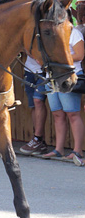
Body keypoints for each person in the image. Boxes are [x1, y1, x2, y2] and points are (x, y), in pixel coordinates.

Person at [42, 24, 84, 161]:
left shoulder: (73, 33)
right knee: (57, 114)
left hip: (69, 75)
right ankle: (58, 149)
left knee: (73, 113)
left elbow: (80, 54)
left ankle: (77, 151)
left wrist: (58, 58)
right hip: (51, 77)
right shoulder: (47, 33)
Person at [19, 55, 48, 155]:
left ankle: (37, 138)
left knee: (38, 101)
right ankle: (40, 143)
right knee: (33, 106)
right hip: (29, 69)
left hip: (44, 71)